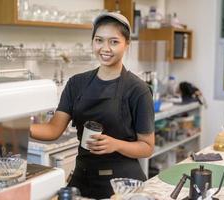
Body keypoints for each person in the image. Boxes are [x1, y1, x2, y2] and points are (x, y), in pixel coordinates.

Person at [30, 12, 155, 199]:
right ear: (92, 42)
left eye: (114, 42)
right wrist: (18, 129)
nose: (105, 48)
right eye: (99, 40)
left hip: (122, 185)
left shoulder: (138, 89)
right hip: (82, 179)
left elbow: (147, 147)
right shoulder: (76, 84)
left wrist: (115, 144)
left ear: (126, 45)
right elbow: (53, 130)